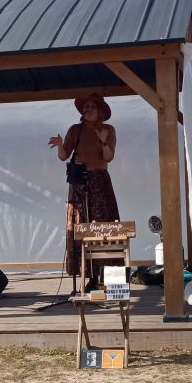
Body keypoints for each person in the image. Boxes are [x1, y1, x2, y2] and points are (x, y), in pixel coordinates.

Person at [48, 93, 120, 291]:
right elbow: (64, 157)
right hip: (79, 181)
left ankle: (105, 276)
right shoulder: (75, 129)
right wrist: (61, 145)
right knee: (80, 226)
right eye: (85, 106)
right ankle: (86, 274)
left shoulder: (108, 129)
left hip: (99, 181)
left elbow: (109, 157)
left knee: (101, 225)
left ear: (99, 112)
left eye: (91, 106)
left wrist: (103, 141)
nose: (86, 109)